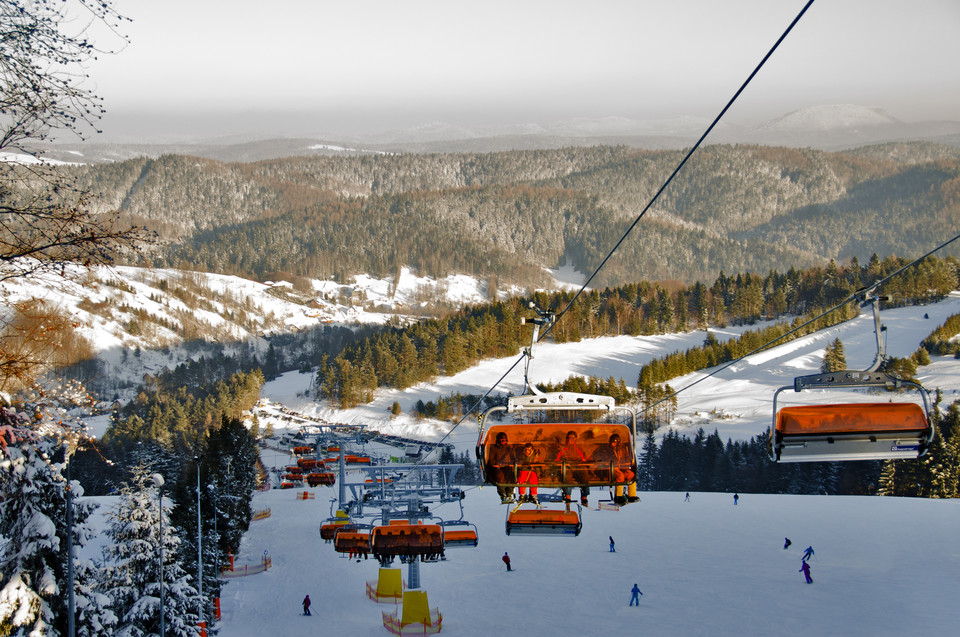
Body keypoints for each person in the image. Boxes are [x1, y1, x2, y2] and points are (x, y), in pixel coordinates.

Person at [591, 433, 636, 505]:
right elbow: (600, 458)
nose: (613, 444)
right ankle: (618, 496)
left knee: (631, 475)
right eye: (612, 442)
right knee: (620, 476)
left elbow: (625, 458)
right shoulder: (605, 449)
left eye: (615, 442)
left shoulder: (621, 450)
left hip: (620, 467)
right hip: (609, 469)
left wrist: (626, 463)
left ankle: (632, 495)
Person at [556, 430, 590, 506]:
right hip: (568, 467)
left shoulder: (578, 447)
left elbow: (584, 457)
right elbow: (557, 458)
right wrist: (562, 461)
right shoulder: (564, 448)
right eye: (569, 438)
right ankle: (568, 496)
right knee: (567, 475)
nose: (571, 439)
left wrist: (583, 460)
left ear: (575, 439)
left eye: (573, 438)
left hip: (578, 466)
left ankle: (584, 496)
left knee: (584, 474)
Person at [488, 431, 516, 503]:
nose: (504, 442)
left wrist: (514, 463)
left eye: (505, 440)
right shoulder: (494, 449)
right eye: (502, 440)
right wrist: (495, 465)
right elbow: (491, 459)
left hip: (508, 467)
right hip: (499, 468)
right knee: (500, 478)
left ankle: (509, 494)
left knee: (511, 478)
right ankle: (503, 495)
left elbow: (513, 458)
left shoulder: (509, 448)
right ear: (498, 440)